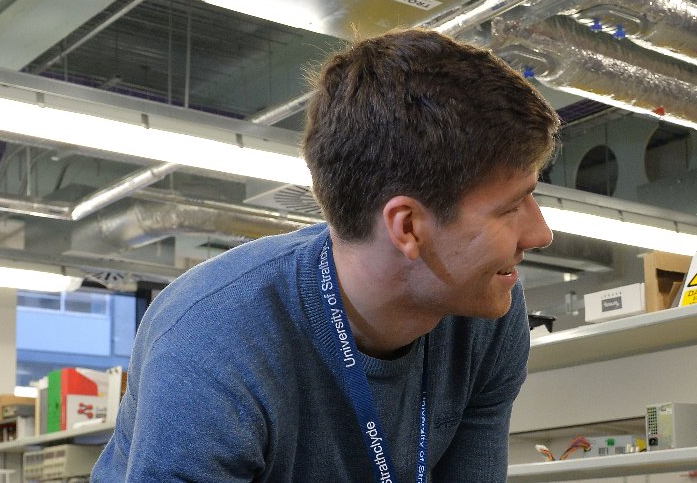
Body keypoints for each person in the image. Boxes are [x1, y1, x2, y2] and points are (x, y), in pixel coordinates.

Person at [93, 29, 558, 481]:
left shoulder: (487, 311)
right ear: (408, 227)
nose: (540, 234)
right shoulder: (213, 341)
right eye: (512, 207)